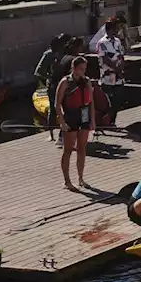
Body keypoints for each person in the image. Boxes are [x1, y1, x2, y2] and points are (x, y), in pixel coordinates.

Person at [54, 55, 96, 190]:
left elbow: (91, 102)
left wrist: (92, 120)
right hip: (70, 116)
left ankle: (81, 178)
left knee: (82, 148)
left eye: (84, 69)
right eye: (80, 69)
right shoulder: (65, 82)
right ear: (73, 68)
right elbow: (57, 104)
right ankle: (67, 181)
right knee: (68, 150)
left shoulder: (87, 81)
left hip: (83, 116)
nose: (82, 72)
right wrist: (61, 121)